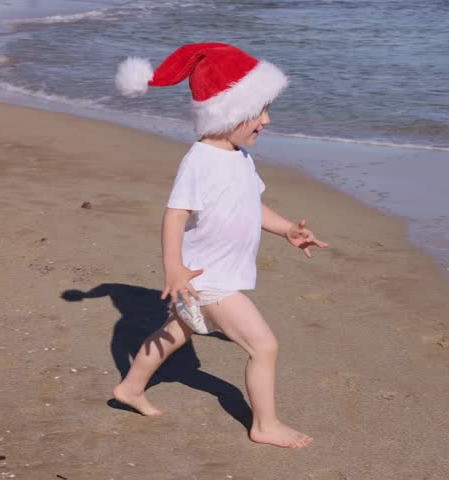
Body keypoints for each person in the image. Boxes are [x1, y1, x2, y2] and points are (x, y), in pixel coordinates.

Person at [110, 43, 327, 448]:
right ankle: (265, 424)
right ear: (227, 113)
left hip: (212, 277)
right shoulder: (201, 160)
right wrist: (172, 267)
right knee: (264, 346)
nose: (267, 118)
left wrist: (285, 230)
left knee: (176, 332)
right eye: (257, 111)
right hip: (208, 278)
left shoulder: (239, 156)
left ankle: (131, 387)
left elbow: (252, 204)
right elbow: (175, 214)